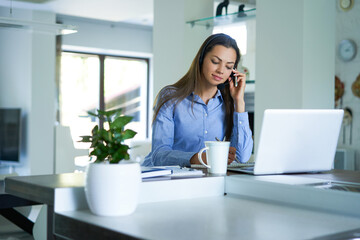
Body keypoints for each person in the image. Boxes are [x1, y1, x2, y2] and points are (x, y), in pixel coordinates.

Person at [142, 33, 253, 167]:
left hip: (201, 182)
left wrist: (239, 102)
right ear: (201, 59)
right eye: (215, 62)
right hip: (162, 180)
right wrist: (198, 158)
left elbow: (241, 157)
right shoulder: (171, 97)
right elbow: (158, 155)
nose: (220, 70)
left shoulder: (227, 104)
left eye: (228, 66)